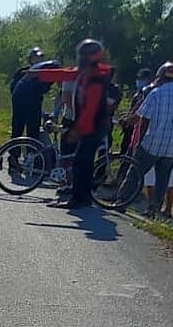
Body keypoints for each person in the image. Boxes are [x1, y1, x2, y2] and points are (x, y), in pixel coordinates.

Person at [30, 39, 113, 209]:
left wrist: (78, 130)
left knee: (81, 162)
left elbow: (90, 110)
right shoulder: (85, 72)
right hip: (90, 124)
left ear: (90, 56)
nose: (80, 58)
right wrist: (39, 74)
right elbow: (66, 74)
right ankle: (84, 197)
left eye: (83, 54)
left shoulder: (96, 78)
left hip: (94, 125)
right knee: (83, 161)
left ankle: (79, 199)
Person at [119, 62, 173, 217]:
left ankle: (121, 202)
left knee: (135, 173)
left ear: (161, 76)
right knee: (163, 180)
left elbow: (144, 119)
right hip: (172, 147)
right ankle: (153, 210)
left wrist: (139, 141)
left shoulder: (156, 93)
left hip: (152, 143)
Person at [119, 68, 153, 155]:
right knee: (125, 149)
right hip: (130, 128)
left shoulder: (150, 95)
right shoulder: (137, 95)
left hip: (139, 127)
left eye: (142, 79)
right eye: (138, 78)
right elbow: (132, 111)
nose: (139, 81)